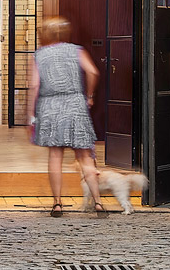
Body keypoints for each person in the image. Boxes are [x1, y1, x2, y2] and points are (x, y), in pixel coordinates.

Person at [29, 15, 102, 216]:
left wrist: (31, 114)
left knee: (55, 155)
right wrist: (89, 95)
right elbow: (93, 72)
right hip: (75, 103)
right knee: (85, 156)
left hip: (49, 105)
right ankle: (98, 203)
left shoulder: (39, 55)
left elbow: (35, 85)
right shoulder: (76, 50)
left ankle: (58, 204)